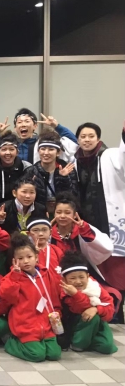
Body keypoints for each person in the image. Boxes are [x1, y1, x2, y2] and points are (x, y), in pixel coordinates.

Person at [74, 121, 125, 301]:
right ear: (78, 140)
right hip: (86, 222)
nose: (87, 140)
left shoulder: (109, 155)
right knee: (93, 268)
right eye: (83, 136)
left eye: (91, 136)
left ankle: (117, 304)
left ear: (98, 139)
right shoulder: (74, 160)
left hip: (110, 219)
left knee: (115, 268)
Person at [0, 233, 62, 362]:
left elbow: (53, 296)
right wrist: (15, 277)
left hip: (46, 324)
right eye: (20, 258)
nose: (26, 261)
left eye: (29, 257)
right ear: (14, 260)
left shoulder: (45, 274)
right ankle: (11, 342)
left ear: (36, 257)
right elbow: (7, 296)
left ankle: (40, 343)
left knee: (54, 354)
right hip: (26, 326)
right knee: (37, 355)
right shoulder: (11, 277)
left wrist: (57, 311)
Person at [58, 251, 117, 354]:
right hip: (75, 323)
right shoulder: (65, 291)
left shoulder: (95, 287)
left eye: (82, 277)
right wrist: (76, 294)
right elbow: (79, 309)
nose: (78, 281)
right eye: (72, 278)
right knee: (93, 318)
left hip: (98, 322)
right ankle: (77, 343)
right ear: (65, 279)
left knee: (107, 347)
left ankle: (87, 341)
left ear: (88, 276)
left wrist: (96, 309)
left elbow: (110, 308)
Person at [50, 192, 114, 279]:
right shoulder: (48, 233)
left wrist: (85, 231)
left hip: (83, 275)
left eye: (67, 212)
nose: (62, 216)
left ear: (75, 215)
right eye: (58, 212)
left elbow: (107, 248)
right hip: (55, 276)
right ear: (54, 214)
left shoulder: (83, 228)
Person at [0, 109, 77, 164]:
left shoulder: (43, 144)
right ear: (15, 128)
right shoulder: (10, 146)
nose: (23, 124)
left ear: (35, 126)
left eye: (27, 121)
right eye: (19, 122)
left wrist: (57, 126)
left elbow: (74, 143)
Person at [32, 130, 79, 214]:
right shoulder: (32, 171)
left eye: (51, 149)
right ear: (38, 151)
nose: (46, 153)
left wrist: (64, 178)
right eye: (43, 149)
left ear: (58, 152)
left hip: (62, 213)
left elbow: (73, 195)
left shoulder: (68, 169)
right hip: (40, 212)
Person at [0, 131, 33, 212]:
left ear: (17, 152)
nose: (8, 153)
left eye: (11, 149)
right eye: (4, 149)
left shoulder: (26, 167)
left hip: (19, 210)